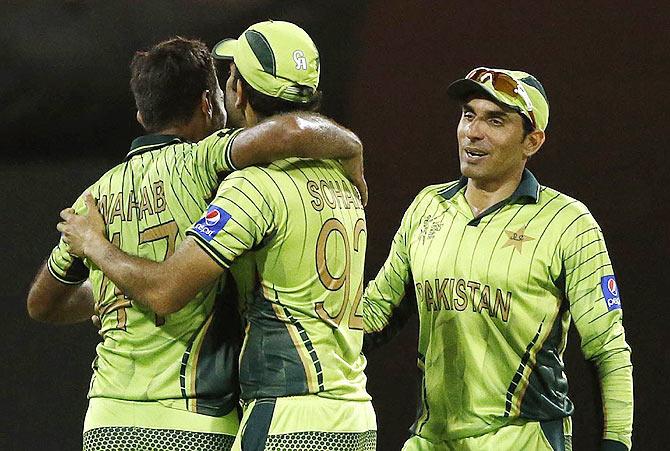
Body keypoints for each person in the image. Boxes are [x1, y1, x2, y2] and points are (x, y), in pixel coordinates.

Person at [27, 35, 368, 450]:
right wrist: (351, 145)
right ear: (210, 103)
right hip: (200, 421)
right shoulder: (209, 163)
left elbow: (41, 304)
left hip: (106, 422)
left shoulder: (92, 201)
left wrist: (110, 286)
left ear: (140, 113)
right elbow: (291, 130)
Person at [363, 67, 633, 450]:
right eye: (468, 114)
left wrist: (617, 443)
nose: (473, 131)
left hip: (525, 440)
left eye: (495, 120)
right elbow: (376, 316)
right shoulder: (427, 207)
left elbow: (607, 350)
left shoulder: (568, 223)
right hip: (431, 439)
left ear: (532, 142)